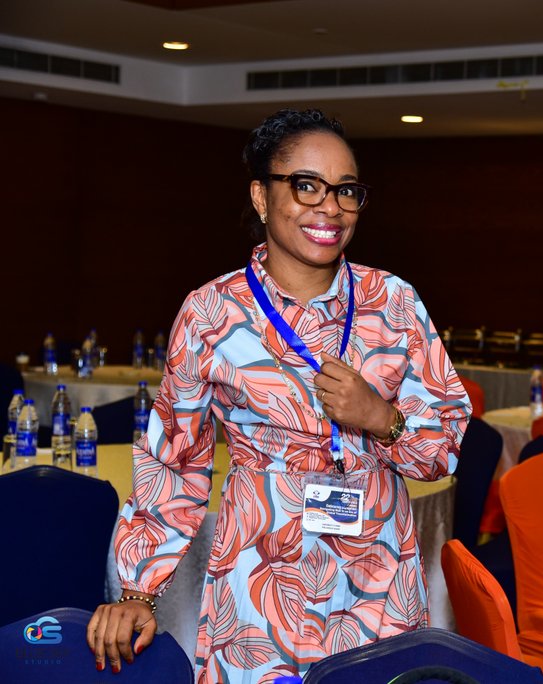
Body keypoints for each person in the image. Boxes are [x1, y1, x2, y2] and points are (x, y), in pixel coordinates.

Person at [87, 109, 470, 682]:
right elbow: (176, 461)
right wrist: (139, 590)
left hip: (377, 577)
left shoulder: (393, 302)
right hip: (259, 578)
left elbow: (444, 449)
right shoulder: (212, 313)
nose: (331, 207)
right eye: (307, 186)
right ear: (262, 197)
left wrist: (381, 417)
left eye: (346, 190)